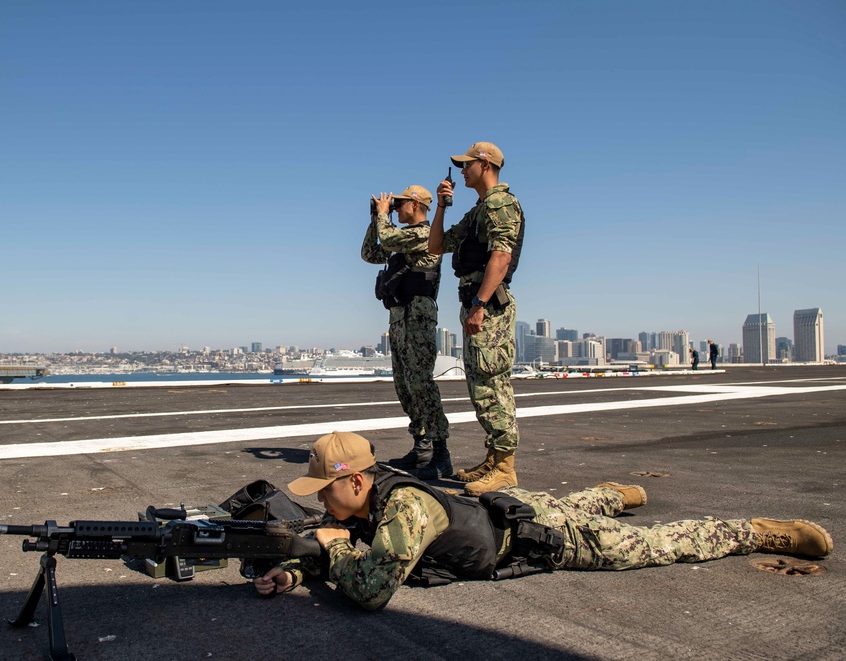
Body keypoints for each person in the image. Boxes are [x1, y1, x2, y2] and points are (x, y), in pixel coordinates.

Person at [254, 432, 834, 611]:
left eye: (324, 489)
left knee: (650, 545)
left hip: (545, 538)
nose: (319, 502)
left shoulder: (402, 508)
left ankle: (755, 531)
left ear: (357, 480)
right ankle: (610, 493)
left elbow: (371, 588)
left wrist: (328, 553)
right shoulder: (370, 504)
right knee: (578, 503)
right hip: (517, 510)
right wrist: (295, 571)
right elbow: (343, 540)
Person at [428, 142, 524, 496]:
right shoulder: (478, 211)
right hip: (475, 302)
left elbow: (502, 253)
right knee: (480, 384)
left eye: (467, 164)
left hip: (488, 305)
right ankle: (494, 457)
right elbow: (436, 245)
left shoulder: (500, 203)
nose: (462, 170)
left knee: (491, 383)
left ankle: (504, 467)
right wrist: (440, 206)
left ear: (484, 164)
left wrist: (481, 303)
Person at [361, 186, 452, 479]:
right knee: (404, 384)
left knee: (422, 383)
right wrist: (374, 218)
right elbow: (370, 253)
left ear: (415, 205)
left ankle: (441, 454)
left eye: (400, 205)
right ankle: (421, 446)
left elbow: (387, 237)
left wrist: (383, 218)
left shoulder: (424, 235)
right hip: (399, 317)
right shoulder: (400, 239)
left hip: (418, 316)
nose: (396, 209)